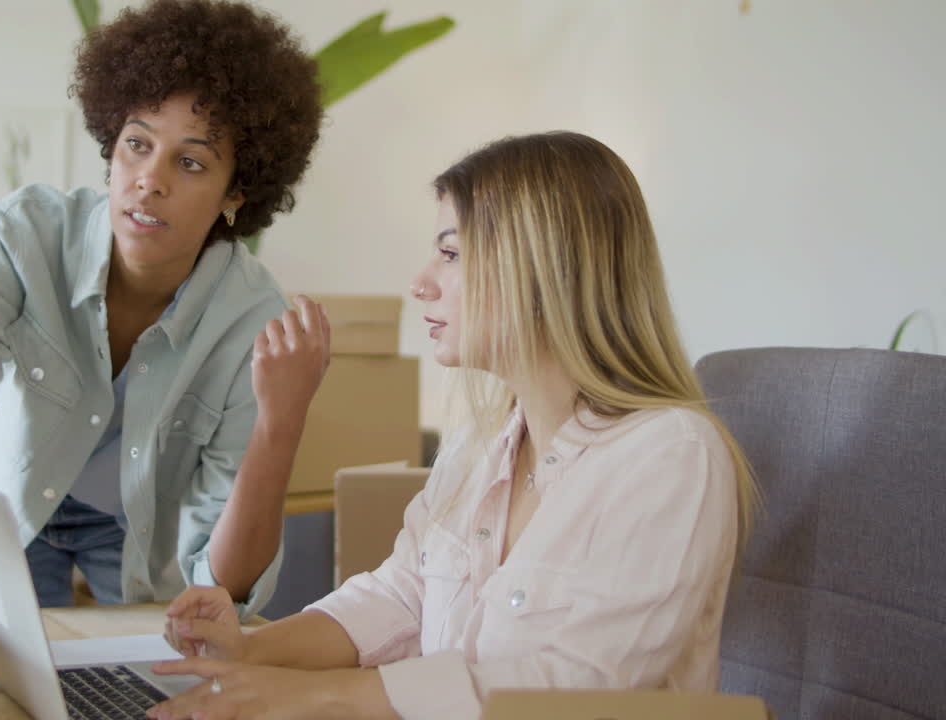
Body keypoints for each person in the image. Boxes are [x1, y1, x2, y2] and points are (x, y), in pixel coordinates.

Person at [145, 132, 759, 719]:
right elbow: (400, 595)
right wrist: (252, 651)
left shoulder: (669, 457)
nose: (420, 283)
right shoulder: (481, 443)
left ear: (543, 268)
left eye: (450, 253)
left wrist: (313, 698)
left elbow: (568, 688)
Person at [0, 0, 326, 618]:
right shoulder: (24, 235)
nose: (149, 180)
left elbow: (225, 591)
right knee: (2, 692)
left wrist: (282, 427)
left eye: (190, 162)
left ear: (236, 194)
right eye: (136, 144)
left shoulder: (252, 322)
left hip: (136, 534)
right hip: (3, 505)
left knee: (144, 684)